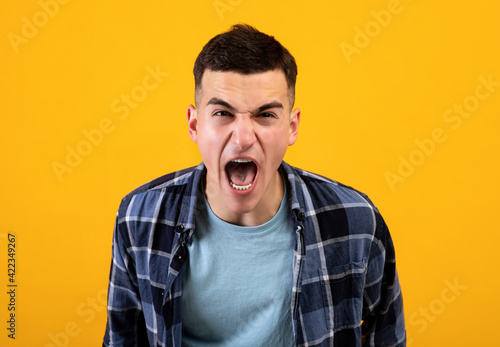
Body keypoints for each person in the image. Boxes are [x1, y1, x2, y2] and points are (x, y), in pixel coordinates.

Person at [103, 24, 406, 347]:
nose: (244, 137)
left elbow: (387, 336)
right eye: (222, 113)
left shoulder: (355, 222)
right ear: (194, 125)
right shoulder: (139, 218)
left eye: (265, 115)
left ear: (291, 127)